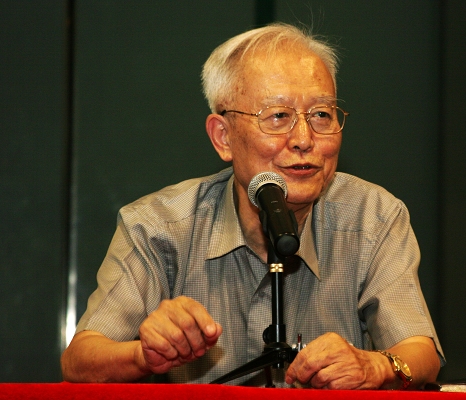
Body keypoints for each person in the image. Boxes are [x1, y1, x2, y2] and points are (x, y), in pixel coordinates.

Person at [61, 23, 444, 389]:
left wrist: (376, 365)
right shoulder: (158, 226)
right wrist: (145, 355)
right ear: (223, 137)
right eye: (278, 116)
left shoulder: (373, 217)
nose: (304, 139)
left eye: (321, 115)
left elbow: (420, 350)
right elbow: (80, 360)